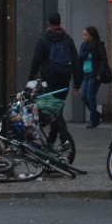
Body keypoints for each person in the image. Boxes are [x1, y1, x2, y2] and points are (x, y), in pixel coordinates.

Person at [28, 12, 76, 150]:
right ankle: (50, 141)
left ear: (49, 22)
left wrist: (31, 77)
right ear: (60, 22)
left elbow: (36, 60)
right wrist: (77, 83)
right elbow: (75, 61)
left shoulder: (44, 39)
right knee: (57, 107)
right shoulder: (67, 39)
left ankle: (65, 139)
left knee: (55, 110)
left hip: (49, 80)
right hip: (64, 80)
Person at [73, 26, 111, 129]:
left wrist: (100, 73)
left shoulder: (98, 45)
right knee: (84, 96)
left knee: (91, 96)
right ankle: (97, 115)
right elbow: (80, 59)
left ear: (91, 36)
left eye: (85, 35)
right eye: (83, 35)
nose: (83, 37)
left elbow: (103, 60)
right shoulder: (83, 46)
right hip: (85, 75)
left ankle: (92, 120)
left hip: (94, 75)